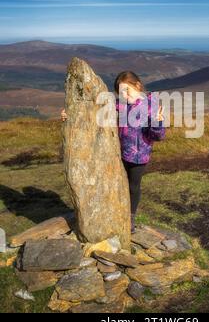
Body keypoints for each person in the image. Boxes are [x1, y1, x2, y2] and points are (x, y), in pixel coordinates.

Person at [61, 70, 166, 234]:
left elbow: (158, 136)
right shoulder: (120, 104)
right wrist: (71, 114)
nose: (124, 94)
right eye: (120, 91)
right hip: (118, 153)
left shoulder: (152, 106)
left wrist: (158, 122)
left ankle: (130, 218)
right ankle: (112, 213)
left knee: (133, 187)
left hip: (139, 157)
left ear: (137, 85)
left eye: (127, 90)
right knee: (114, 183)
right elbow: (94, 110)